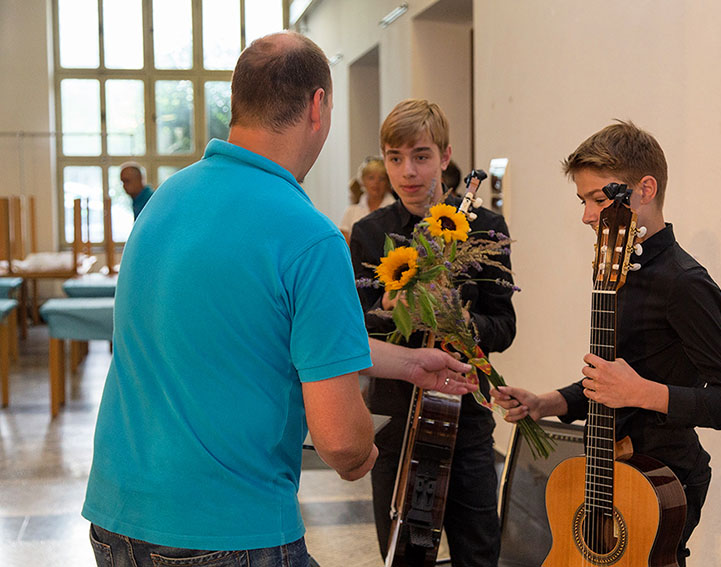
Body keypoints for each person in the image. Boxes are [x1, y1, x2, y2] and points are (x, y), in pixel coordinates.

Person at [82, 32, 475, 567]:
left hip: (118, 517)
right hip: (228, 528)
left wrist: (408, 363)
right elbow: (340, 440)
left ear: (237, 102)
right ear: (317, 105)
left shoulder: (167, 199)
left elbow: (256, 333)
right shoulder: (308, 234)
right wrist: (364, 450)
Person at [490, 120, 721, 566]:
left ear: (645, 189)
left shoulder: (685, 283)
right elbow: (614, 381)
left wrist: (642, 393)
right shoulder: (617, 267)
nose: (587, 215)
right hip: (609, 468)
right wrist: (547, 402)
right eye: (583, 201)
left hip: (662, 480)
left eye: (598, 199)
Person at [349, 99, 516, 567]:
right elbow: (352, 331)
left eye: (421, 156)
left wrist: (456, 317)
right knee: (402, 555)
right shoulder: (368, 233)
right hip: (395, 422)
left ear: (445, 157)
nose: (407, 172)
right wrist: (388, 309)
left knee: (478, 553)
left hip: (467, 420)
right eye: (395, 158)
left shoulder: (485, 228)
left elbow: (504, 328)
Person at [339, 156, 395, 242]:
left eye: (382, 178)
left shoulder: (396, 211)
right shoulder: (351, 211)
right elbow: (344, 243)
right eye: (371, 178)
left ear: (388, 182)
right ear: (362, 181)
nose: (376, 182)